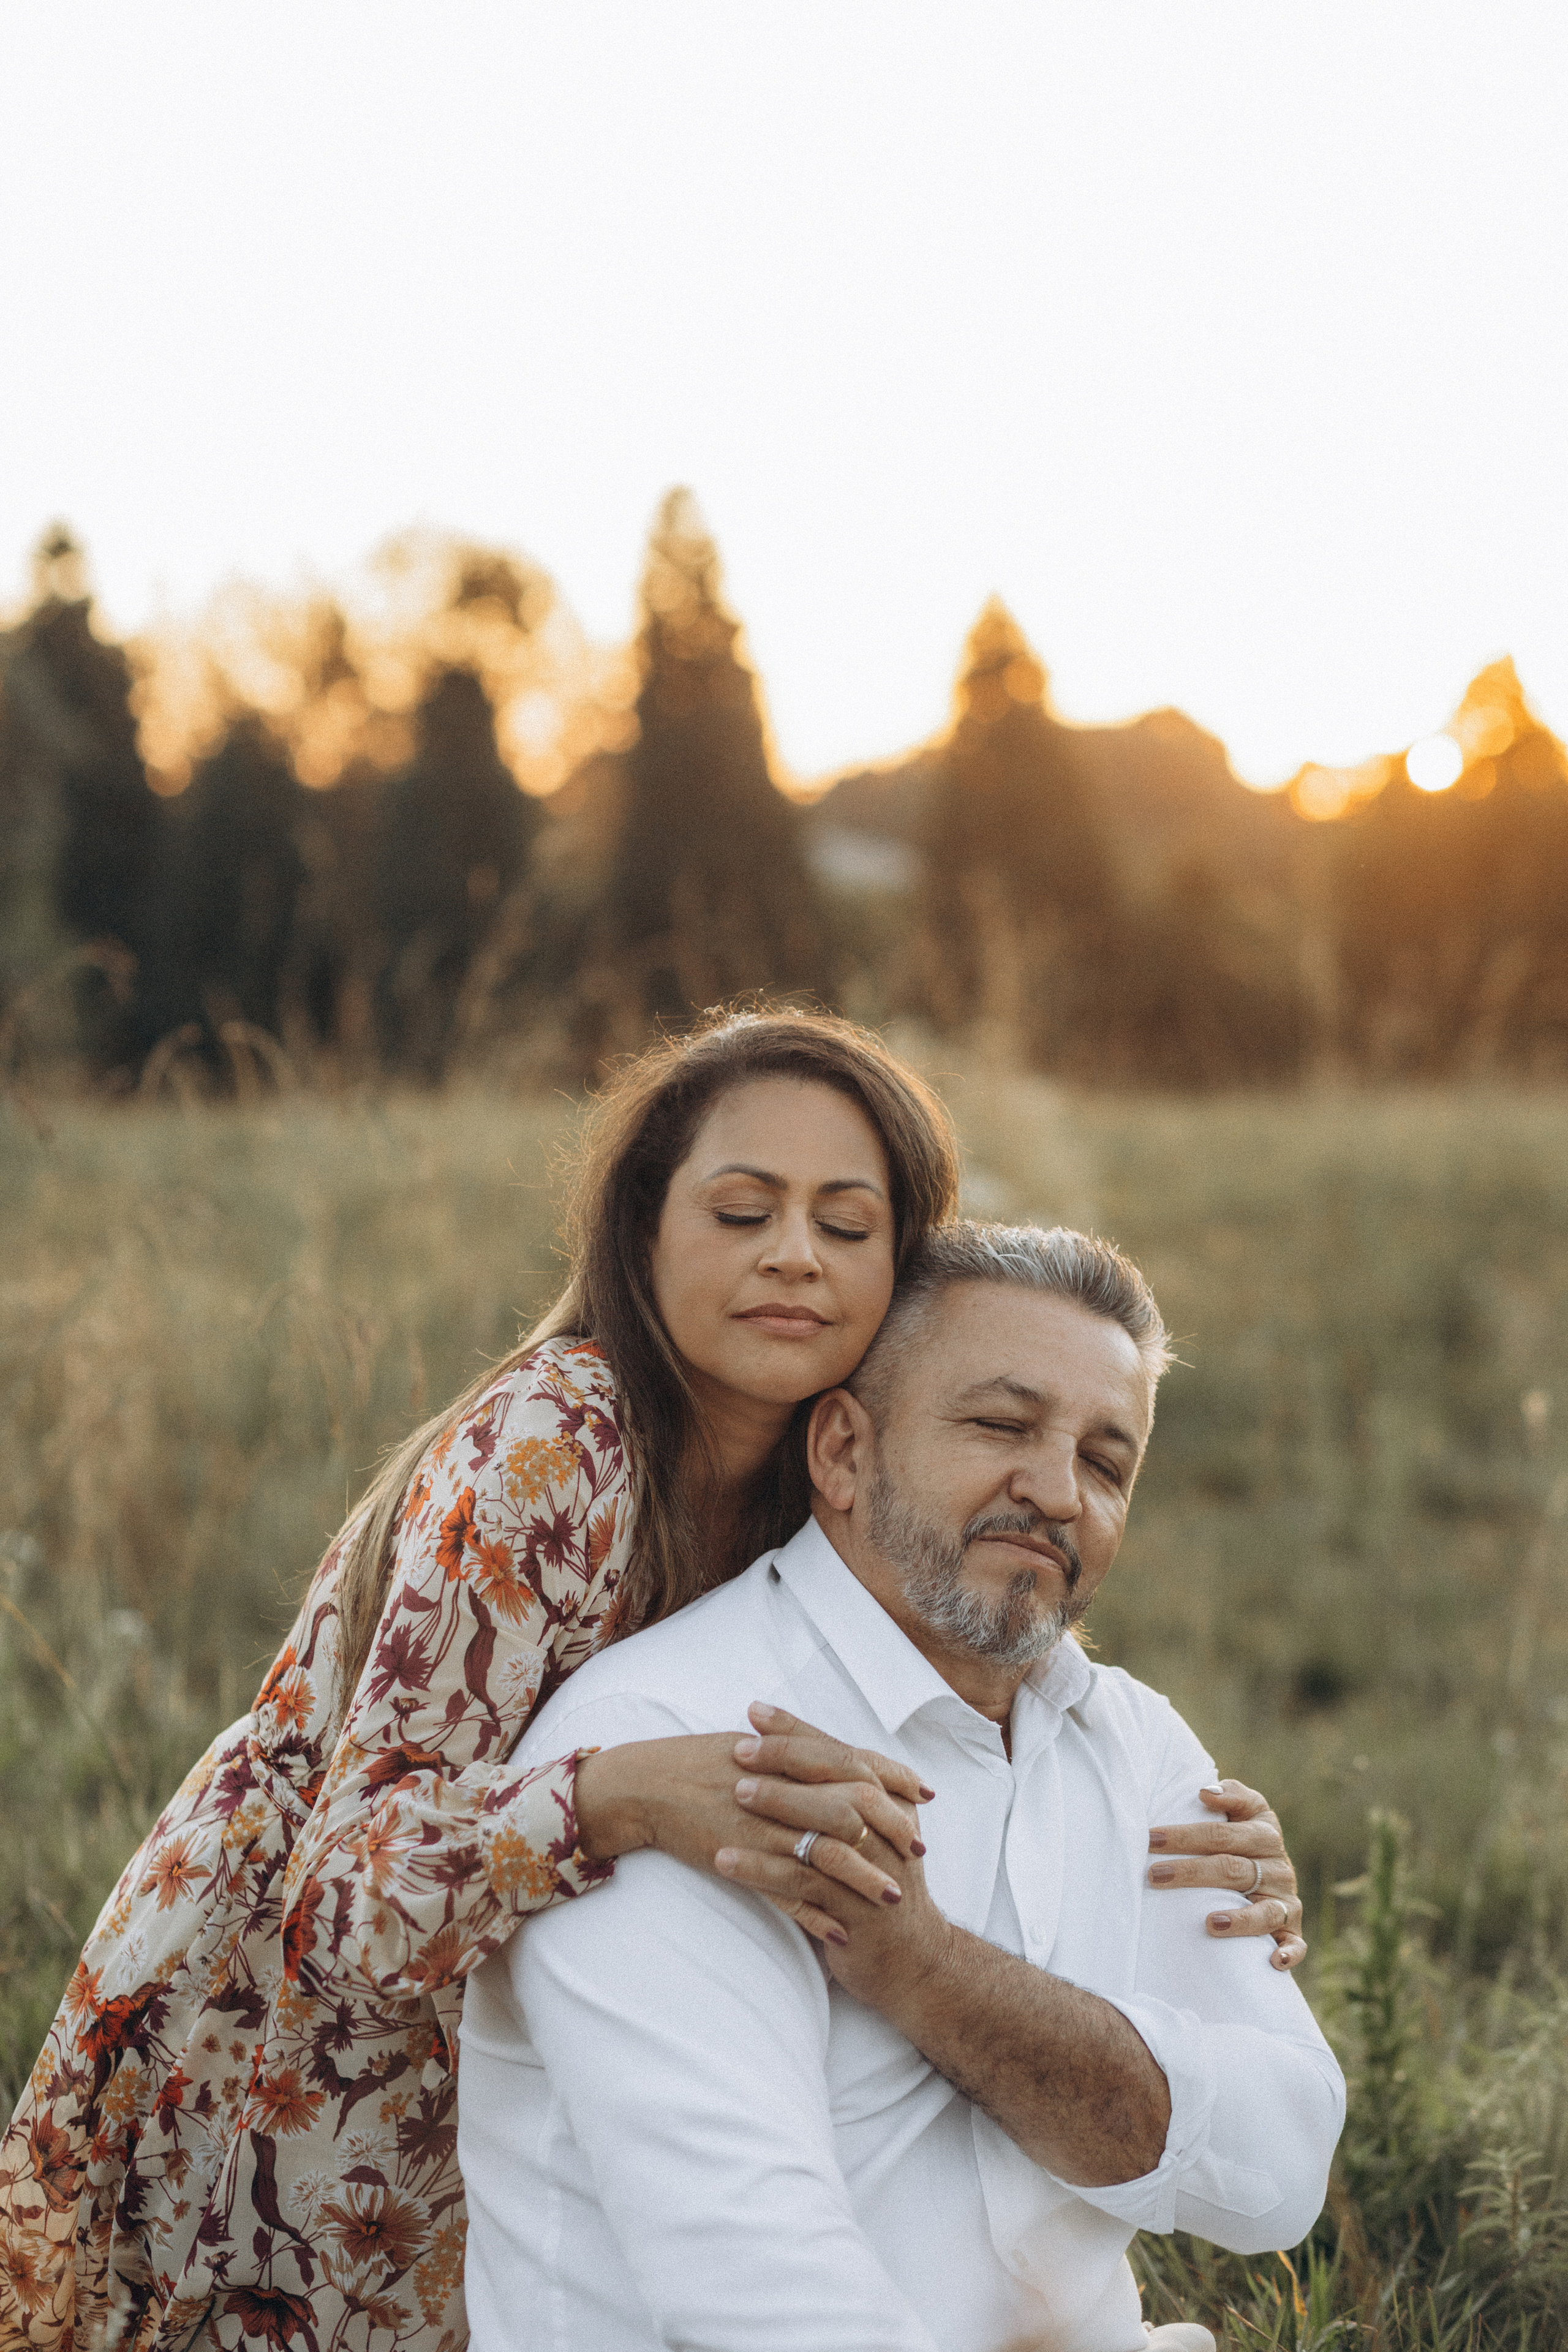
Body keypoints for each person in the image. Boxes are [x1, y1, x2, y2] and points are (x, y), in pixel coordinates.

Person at [1, 1012, 1305, 2352]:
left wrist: (1145, 1778)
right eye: (741, 1211)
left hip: (514, 2042)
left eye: (846, 1227)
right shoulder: (553, 1446)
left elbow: (969, 1577)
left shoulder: (817, 1438)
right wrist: (620, 1796)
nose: (791, 1255)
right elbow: (341, 1902)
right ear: (643, 1231)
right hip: (287, 2056)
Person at [459, 1221, 1344, 2352]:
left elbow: (1277, 2174)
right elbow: (752, 2285)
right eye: (1001, 1424)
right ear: (841, 1452)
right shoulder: (680, 1744)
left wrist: (930, 1978)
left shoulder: (1135, 1747)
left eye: (1107, 1461)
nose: (1058, 1491)